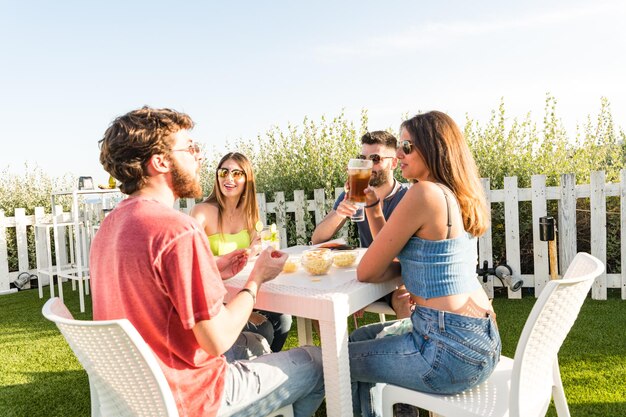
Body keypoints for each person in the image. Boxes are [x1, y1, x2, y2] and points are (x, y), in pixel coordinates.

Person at [90, 106, 324, 417]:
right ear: (160, 162)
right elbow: (218, 339)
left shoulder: (111, 225)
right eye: (190, 148)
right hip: (191, 396)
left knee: (255, 342)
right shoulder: (176, 228)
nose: (199, 157)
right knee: (316, 362)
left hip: (137, 393)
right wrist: (256, 279)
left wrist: (218, 266)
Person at [348, 111, 501, 417]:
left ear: (433, 149)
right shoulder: (454, 193)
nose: (400, 154)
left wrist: (386, 266)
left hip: (444, 352)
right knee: (360, 337)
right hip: (480, 341)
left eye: (407, 147)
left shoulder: (423, 192)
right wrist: (375, 208)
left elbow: (367, 271)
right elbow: (402, 258)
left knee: (338, 362)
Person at [190, 152, 293, 353]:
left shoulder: (249, 214)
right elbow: (191, 258)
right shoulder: (201, 212)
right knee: (264, 327)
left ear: (247, 180)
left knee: (283, 318)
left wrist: (255, 249)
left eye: (237, 173)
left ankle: (264, 366)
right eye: (224, 172)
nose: (229, 178)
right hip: (216, 298)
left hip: (242, 288)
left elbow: (258, 246)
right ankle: (249, 367)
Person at [311, 131, 412, 318]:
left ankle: (407, 346)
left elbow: (399, 259)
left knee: (404, 299)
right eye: (362, 158)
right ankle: (336, 348)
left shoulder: (406, 198)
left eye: (375, 159)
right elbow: (317, 238)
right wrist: (339, 212)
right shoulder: (355, 192)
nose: (367, 165)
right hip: (364, 275)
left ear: (394, 163)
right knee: (322, 299)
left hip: (395, 275)